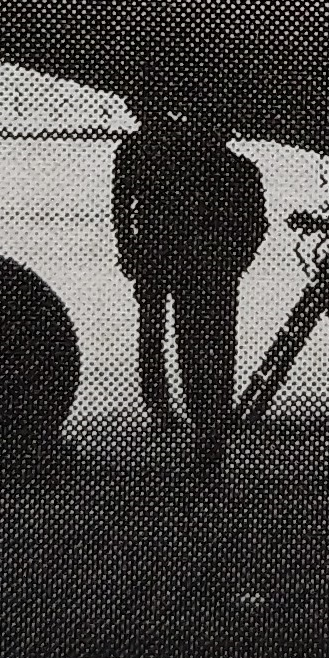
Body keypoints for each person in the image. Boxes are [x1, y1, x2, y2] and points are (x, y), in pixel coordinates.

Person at [112, 106, 269, 469]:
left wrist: (129, 246)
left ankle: (185, 410)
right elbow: (255, 226)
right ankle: (207, 416)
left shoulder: (155, 156)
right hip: (201, 268)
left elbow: (124, 206)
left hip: (169, 256)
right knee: (212, 342)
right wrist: (234, 263)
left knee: (176, 336)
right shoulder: (236, 169)